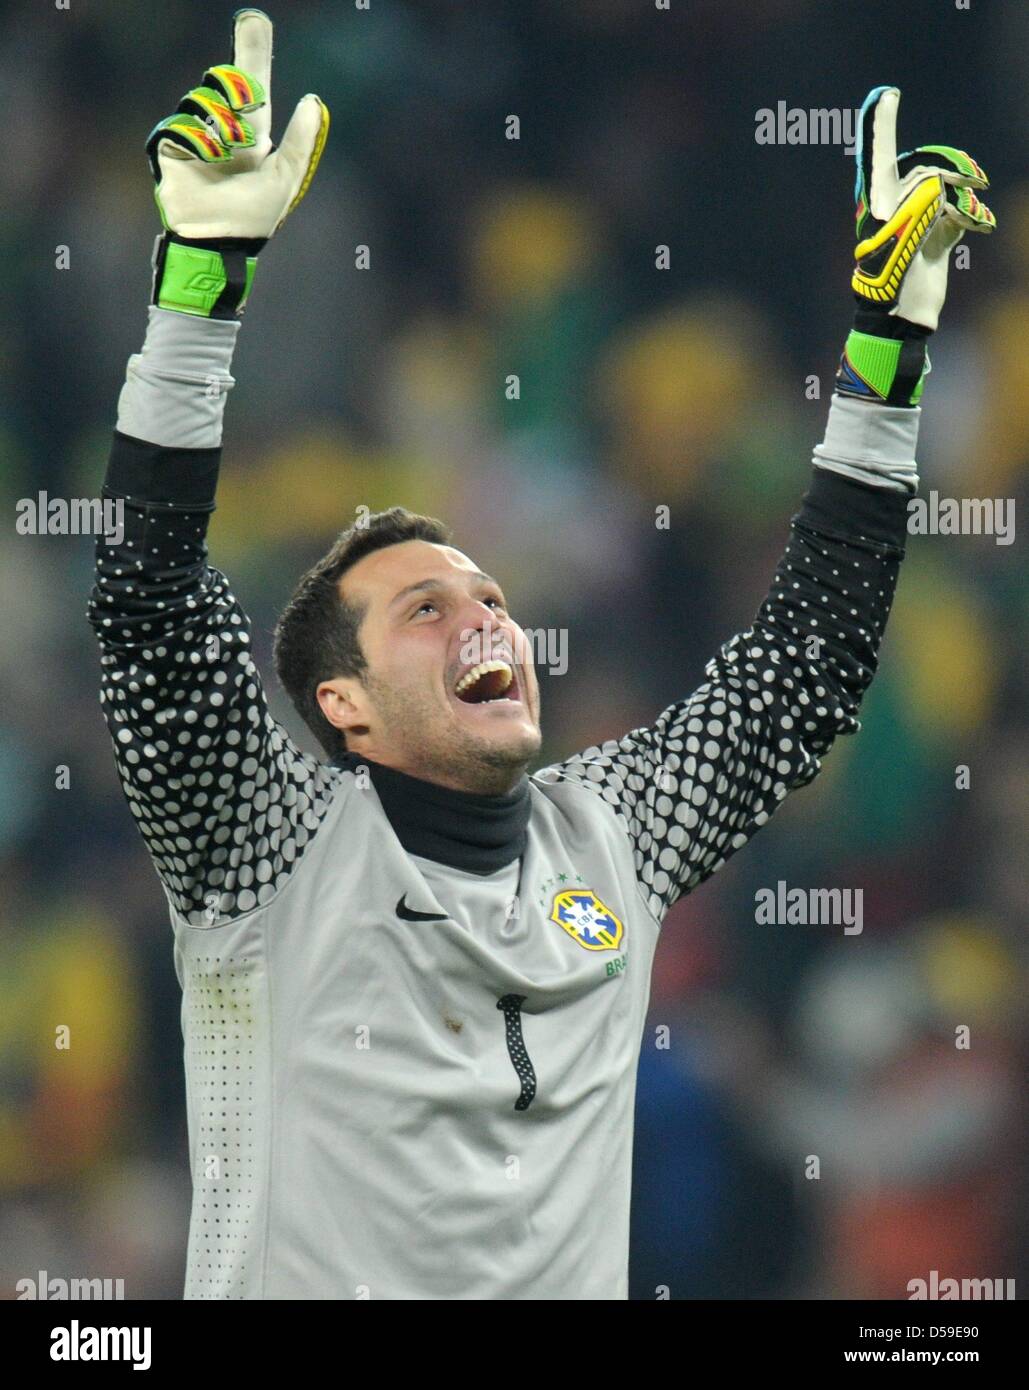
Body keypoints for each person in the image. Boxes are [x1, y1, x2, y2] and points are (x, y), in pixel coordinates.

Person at [87, 10, 996, 1299]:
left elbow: (809, 661)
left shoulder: (607, 839)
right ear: (340, 706)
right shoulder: (267, 854)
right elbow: (147, 609)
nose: (486, 620)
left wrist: (887, 349)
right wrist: (199, 284)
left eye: (492, 597)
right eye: (425, 609)